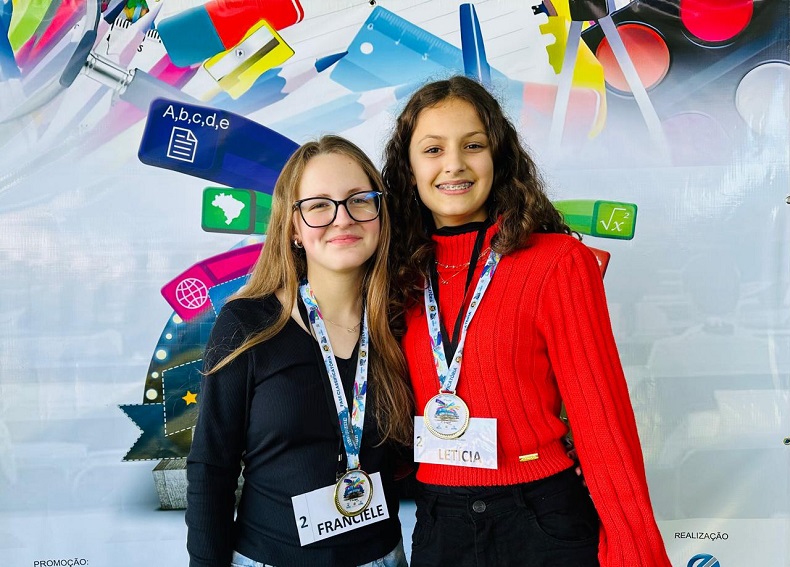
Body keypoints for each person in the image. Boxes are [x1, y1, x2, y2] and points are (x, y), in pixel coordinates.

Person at [382, 76, 671, 567]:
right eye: (433, 149)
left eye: (473, 145)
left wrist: (635, 551)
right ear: (409, 171)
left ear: (499, 157)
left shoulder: (557, 262)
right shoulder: (397, 273)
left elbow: (602, 419)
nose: (454, 164)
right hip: (438, 524)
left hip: (541, 517)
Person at [186, 135, 413, 567]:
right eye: (319, 205)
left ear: (380, 214)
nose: (343, 218)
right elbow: (210, 468)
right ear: (293, 228)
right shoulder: (247, 324)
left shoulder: (402, 322)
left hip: (384, 557)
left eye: (359, 200)